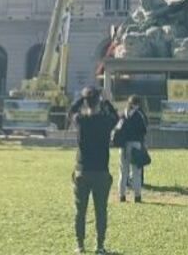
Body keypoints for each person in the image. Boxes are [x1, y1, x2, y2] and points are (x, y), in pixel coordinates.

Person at [67, 86, 118, 255]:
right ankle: (100, 246)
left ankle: (80, 246)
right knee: (101, 211)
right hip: (101, 172)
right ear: (98, 102)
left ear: (86, 103)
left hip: (82, 170)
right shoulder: (105, 120)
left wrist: (82, 98)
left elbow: (71, 111)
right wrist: (108, 101)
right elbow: (116, 117)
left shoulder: (81, 120)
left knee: (80, 211)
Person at [118, 94, 148, 203]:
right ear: (138, 104)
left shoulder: (123, 114)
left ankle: (121, 196)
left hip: (124, 146)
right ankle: (137, 196)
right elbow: (144, 130)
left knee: (123, 172)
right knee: (136, 172)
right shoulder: (139, 115)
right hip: (136, 144)